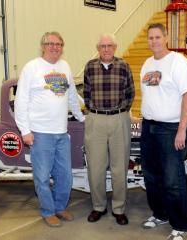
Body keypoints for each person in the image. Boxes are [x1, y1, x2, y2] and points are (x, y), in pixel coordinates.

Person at [14, 31, 85, 227]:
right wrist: (25, 131)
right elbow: (21, 101)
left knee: (65, 176)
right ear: (43, 46)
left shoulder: (65, 66)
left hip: (61, 133)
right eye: (51, 43)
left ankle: (60, 207)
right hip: (40, 133)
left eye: (59, 44)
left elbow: (71, 96)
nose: (55, 47)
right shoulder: (32, 67)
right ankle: (47, 211)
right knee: (43, 176)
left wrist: (81, 117)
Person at [140, 23, 187, 240]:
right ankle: (160, 214)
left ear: (166, 38)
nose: (153, 41)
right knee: (151, 176)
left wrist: (182, 129)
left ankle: (181, 225)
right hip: (149, 126)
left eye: (157, 37)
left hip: (171, 128)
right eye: (150, 38)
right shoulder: (147, 63)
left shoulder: (178, 62)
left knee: (173, 180)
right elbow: (151, 96)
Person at [83, 34, 135, 225]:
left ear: (115, 47)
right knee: (95, 168)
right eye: (102, 46)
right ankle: (98, 207)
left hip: (119, 119)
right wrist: (94, 111)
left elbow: (131, 93)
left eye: (109, 46)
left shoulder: (123, 66)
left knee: (119, 168)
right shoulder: (90, 66)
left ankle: (119, 208)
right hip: (95, 119)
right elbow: (86, 93)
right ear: (98, 48)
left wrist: (121, 112)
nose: (106, 49)